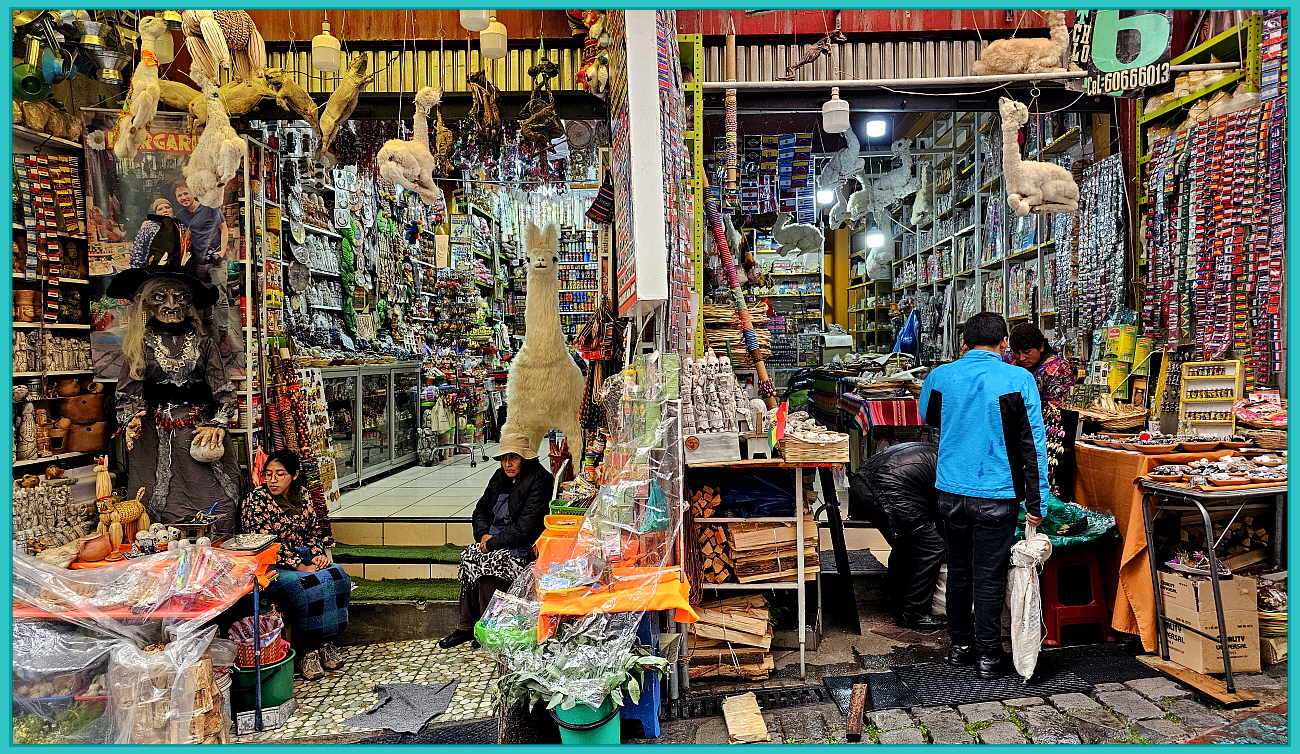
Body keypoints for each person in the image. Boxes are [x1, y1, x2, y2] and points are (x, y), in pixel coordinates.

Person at [918, 312, 1048, 680]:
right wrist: (1036, 503)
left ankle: (960, 647)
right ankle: (989, 655)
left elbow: (929, 417)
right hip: (997, 493)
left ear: (963, 344)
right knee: (989, 575)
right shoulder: (1019, 379)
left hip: (950, 491)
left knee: (958, 570)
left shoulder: (940, 376)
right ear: (1004, 344)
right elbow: (1032, 444)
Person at [107, 243, 244, 534]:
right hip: (152, 436)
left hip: (197, 431)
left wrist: (218, 423)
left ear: (189, 303)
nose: (171, 304)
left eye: (180, 297)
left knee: (216, 499)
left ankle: (215, 551)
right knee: (152, 502)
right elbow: (127, 392)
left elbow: (223, 390)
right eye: (160, 297)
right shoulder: (140, 344)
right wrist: (131, 419)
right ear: (146, 304)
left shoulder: (203, 343)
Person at [240, 449, 350, 681]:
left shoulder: (303, 495)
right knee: (310, 585)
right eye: (268, 474)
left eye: (280, 474)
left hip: (304, 558)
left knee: (338, 576)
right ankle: (307, 651)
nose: (273, 480)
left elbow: (313, 533)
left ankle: (325, 642)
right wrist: (301, 566)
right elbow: (265, 543)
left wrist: (318, 556)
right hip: (271, 566)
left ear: (294, 475)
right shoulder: (256, 501)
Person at [439, 433, 553, 649]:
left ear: (524, 459)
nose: (507, 464)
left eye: (513, 458)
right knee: (469, 557)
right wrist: (483, 535)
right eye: (504, 458)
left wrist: (492, 543)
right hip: (492, 539)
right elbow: (480, 511)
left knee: (489, 562)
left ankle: (487, 626)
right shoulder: (499, 477)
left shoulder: (540, 479)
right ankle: (466, 627)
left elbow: (527, 527)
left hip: (521, 546)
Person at [848, 442, 946, 630]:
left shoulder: (939, 452)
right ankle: (913, 613)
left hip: (864, 485)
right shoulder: (956, 465)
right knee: (931, 548)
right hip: (888, 489)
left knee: (907, 545)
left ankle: (894, 599)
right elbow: (946, 510)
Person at [1009, 322, 1076, 492]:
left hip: (1046, 435)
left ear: (1041, 347)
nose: (1021, 358)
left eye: (1027, 352)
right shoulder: (1012, 364)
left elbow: (1056, 408)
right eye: (1017, 353)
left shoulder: (1058, 368)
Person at [172, 180, 228, 274]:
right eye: (179, 195)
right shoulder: (180, 216)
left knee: (218, 284)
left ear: (193, 193)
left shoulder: (210, 207)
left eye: (186, 193)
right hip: (198, 264)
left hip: (215, 261)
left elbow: (224, 228)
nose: (183, 197)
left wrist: (222, 251)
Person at [129, 198, 190, 269]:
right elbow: (137, 251)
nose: (165, 210)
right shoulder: (148, 227)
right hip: (154, 267)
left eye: (168, 207)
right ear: (156, 213)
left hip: (176, 268)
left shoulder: (180, 226)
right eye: (160, 209)